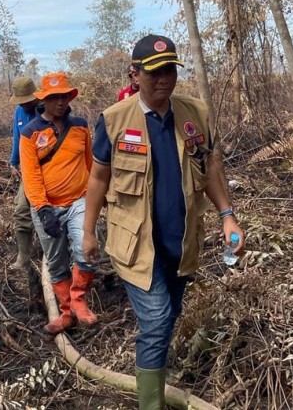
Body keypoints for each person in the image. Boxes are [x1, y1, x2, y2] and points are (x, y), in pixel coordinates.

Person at [82, 34, 245, 409]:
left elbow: (211, 169)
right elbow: (98, 179)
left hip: (182, 241)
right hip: (136, 245)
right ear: (135, 74)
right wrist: (88, 231)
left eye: (169, 70)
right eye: (154, 72)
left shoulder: (195, 114)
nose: (163, 80)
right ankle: (150, 404)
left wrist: (228, 217)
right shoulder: (114, 121)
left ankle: (153, 372)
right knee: (156, 321)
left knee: (169, 313)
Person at [19, 72, 98, 335]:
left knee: (86, 251)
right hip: (47, 205)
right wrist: (42, 209)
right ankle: (66, 312)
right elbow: (30, 175)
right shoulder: (30, 133)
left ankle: (78, 299)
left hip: (79, 200)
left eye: (64, 96)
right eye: (54, 98)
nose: (61, 102)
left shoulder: (80, 126)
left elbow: (91, 164)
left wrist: (96, 196)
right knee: (55, 261)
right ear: (44, 100)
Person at [9, 77, 40, 271]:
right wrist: (13, 162)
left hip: (48, 169)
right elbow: (17, 138)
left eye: (27, 99)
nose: (24, 104)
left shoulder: (46, 109)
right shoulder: (19, 112)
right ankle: (23, 256)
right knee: (21, 211)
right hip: (28, 171)